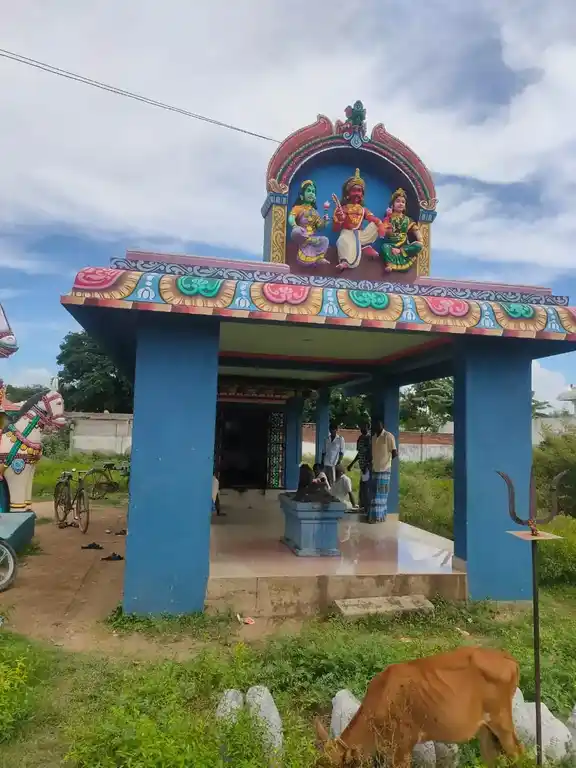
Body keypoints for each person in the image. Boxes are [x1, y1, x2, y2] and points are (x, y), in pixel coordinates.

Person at [332, 168, 388, 270]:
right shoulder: (342, 209)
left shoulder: (363, 209)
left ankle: (365, 245)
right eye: (354, 190)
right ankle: (345, 262)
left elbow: (372, 218)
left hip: (360, 235)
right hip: (347, 234)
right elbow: (335, 229)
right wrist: (339, 219)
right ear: (348, 194)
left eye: (359, 191)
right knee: (342, 241)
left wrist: (380, 225)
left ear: (362, 194)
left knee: (375, 224)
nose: (357, 193)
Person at [369, 418, 398, 523]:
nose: (376, 426)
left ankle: (379, 517)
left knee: (381, 494)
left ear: (382, 425)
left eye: (378, 424)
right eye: (375, 425)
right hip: (375, 469)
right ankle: (375, 516)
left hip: (384, 470)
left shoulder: (388, 436)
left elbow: (394, 452)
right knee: (374, 494)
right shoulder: (373, 438)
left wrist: (386, 462)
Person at [348, 422, 372, 513]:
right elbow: (359, 453)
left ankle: (366, 508)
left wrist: (366, 465)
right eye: (361, 427)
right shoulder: (360, 438)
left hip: (367, 467)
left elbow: (370, 454)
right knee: (362, 487)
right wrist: (352, 463)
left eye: (364, 427)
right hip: (362, 467)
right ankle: (363, 506)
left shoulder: (369, 439)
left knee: (366, 487)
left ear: (368, 427)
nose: (362, 429)